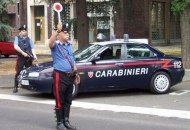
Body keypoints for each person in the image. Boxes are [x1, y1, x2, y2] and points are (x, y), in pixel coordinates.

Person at [49, 23, 80, 130]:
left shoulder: (70, 45)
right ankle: (59, 122)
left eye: (68, 32)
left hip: (70, 76)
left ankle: (66, 121)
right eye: (65, 32)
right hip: (60, 75)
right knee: (59, 99)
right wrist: (57, 31)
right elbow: (50, 42)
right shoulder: (56, 46)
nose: (67, 34)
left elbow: (72, 60)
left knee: (68, 99)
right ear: (59, 34)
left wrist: (76, 73)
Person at [13, 24, 37, 93]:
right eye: (23, 31)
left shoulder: (29, 39)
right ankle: (15, 86)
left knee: (30, 71)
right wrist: (23, 53)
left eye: (25, 31)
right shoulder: (17, 38)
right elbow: (15, 47)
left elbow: (32, 48)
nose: (25, 32)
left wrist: (35, 56)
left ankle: (31, 86)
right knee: (18, 72)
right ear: (20, 32)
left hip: (28, 58)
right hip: (21, 58)